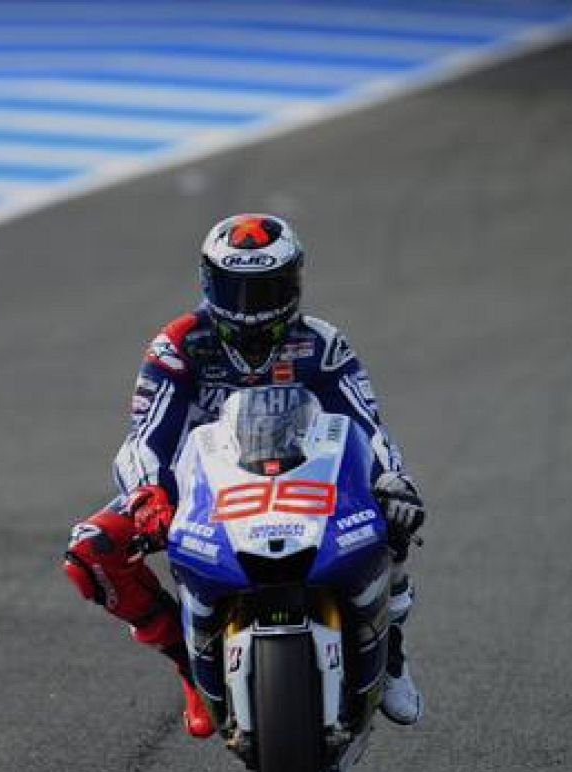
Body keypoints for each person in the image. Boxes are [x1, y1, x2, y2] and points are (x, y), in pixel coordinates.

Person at [62, 213, 425, 738]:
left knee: (393, 517)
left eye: (265, 289)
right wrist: (146, 495)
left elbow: (368, 424)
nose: (249, 307)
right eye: (234, 289)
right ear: (208, 281)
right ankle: (187, 663)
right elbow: (144, 435)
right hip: (200, 485)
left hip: (306, 474)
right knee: (90, 551)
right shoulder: (178, 345)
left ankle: (391, 652)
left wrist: (393, 478)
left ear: (294, 282)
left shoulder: (323, 344)